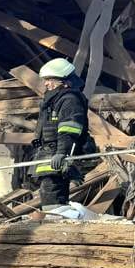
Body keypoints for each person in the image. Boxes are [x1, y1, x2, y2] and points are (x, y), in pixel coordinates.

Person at [32, 57, 89, 206]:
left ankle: (55, 222)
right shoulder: (54, 100)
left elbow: (69, 129)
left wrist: (62, 153)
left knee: (52, 191)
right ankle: (55, 220)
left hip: (57, 154)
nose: (46, 83)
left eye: (50, 79)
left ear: (63, 81)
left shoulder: (70, 100)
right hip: (48, 153)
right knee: (48, 190)